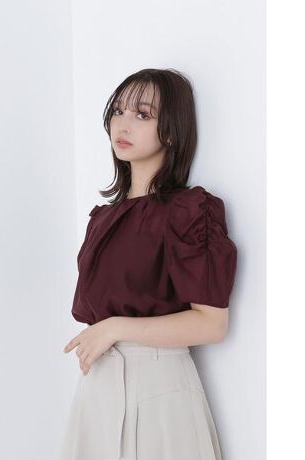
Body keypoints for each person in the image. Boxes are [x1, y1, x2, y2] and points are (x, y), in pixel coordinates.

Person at [58, 68, 238, 460]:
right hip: (96, 391)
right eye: (118, 111)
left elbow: (211, 323)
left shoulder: (188, 212)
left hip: (158, 390)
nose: (123, 124)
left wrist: (114, 327)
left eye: (142, 114)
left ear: (171, 131)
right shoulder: (102, 219)